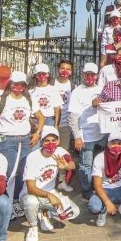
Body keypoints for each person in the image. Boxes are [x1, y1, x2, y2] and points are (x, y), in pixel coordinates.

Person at [0, 71, 44, 220]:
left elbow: (40, 117)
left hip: (25, 141)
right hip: (6, 141)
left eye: (22, 84)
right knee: (8, 173)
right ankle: (5, 204)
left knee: (21, 172)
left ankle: (16, 201)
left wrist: (37, 133)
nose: (18, 87)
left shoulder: (29, 99)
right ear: (10, 84)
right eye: (15, 84)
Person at [21, 127, 80, 241]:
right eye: (47, 140)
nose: (51, 143)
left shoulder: (60, 151)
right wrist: (49, 196)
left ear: (58, 141)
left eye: (54, 140)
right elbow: (31, 188)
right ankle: (33, 227)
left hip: (50, 192)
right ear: (42, 142)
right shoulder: (33, 157)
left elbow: (72, 164)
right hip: (31, 194)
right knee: (31, 202)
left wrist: (66, 166)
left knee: (74, 212)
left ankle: (44, 213)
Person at [68, 63, 105, 200]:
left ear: (96, 76)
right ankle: (87, 190)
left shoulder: (102, 89)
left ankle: (100, 187)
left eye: (92, 75)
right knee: (85, 165)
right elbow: (72, 117)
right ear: (83, 75)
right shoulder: (77, 91)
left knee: (101, 162)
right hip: (86, 135)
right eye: (87, 74)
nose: (90, 77)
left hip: (102, 134)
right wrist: (77, 137)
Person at [50, 60, 75, 192]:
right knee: (48, 152)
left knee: (63, 153)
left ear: (71, 71)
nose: (65, 71)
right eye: (62, 68)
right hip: (51, 125)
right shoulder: (51, 84)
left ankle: (61, 181)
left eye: (68, 69)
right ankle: (47, 180)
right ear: (58, 69)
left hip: (65, 125)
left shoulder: (73, 86)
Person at [29, 63, 63, 130]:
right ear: (36, 75)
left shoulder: (53, 89)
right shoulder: (30, 90)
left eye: (44, 74)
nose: (42, 77)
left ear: (48, 75)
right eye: (39, 74)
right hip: (35, 120)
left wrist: (56, 125)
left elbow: (57, 109)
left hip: (49, 120)